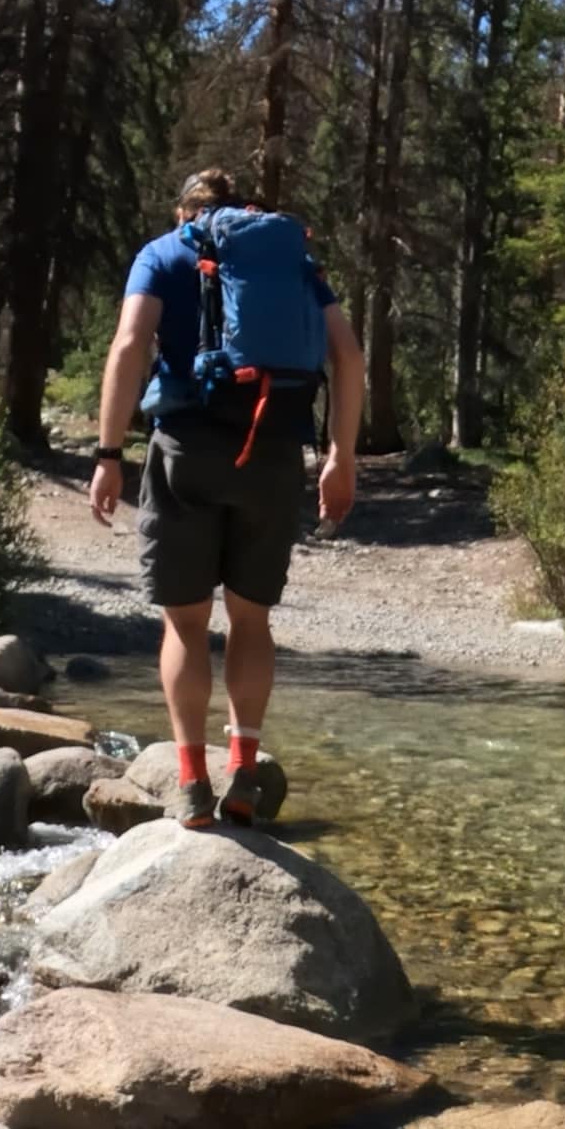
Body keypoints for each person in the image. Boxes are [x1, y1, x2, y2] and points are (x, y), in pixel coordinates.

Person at [90, 169, 363, 828]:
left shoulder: (164, 253)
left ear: (187, 209)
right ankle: (243, 770)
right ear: (247, 210)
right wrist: (341, 456)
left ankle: (189, 783)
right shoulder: (292, 258)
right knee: (251, 620)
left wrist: (107, 455)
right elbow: (348, 355)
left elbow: (130, 345)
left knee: (185, 624)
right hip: (271, 455)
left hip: (186, 452)